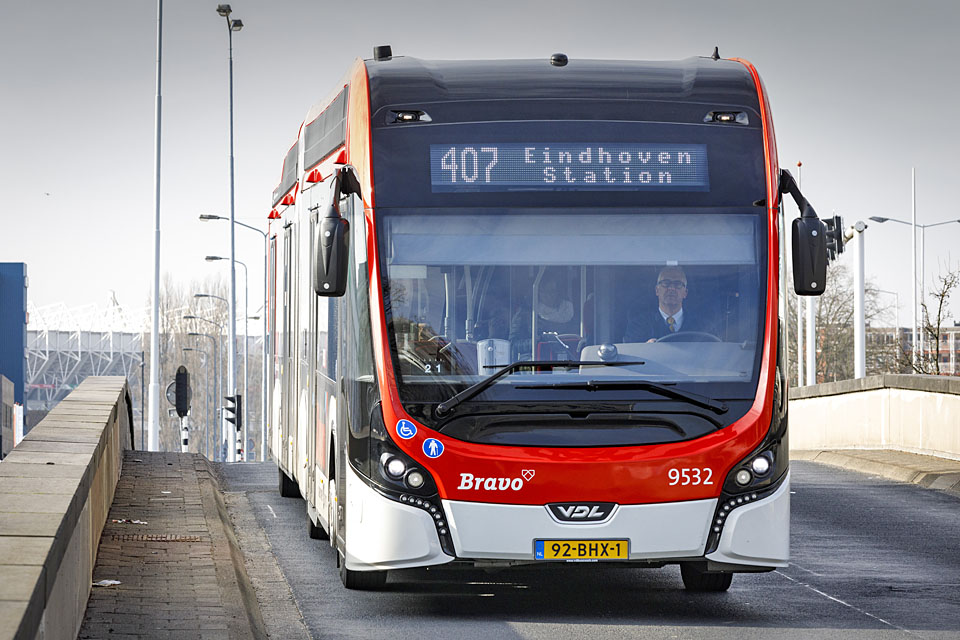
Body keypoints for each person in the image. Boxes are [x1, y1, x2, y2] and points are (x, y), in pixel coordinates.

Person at [623, 266, 714, 342]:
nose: (671, 288)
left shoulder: (702, 326)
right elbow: (631, 357)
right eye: (666, 283)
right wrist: (645, 349)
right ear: (657, 290)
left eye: (677, 284)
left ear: (685, 293)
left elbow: (714, 355)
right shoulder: (638, 325)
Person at [509, 271, 579, 358]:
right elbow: (513, 345)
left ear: (558, 292)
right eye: (545, 292)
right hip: (535, 364)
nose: (549, 295)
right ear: (537, 293)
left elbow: (578, 336)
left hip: (566, 361)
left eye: (552, 291)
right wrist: (536, 340)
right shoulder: (525, 314)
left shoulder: (569, 311)